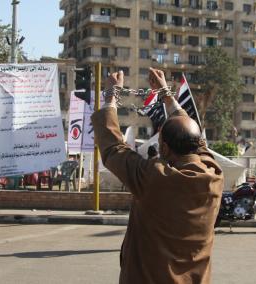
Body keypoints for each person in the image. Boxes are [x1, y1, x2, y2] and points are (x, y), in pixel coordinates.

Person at [92, 68, 223, 284]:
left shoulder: (154, 178)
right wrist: (166, 94)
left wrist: (111, 95)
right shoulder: (213, 172)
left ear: (164, 147)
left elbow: (113, 148)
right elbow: (195, 138)